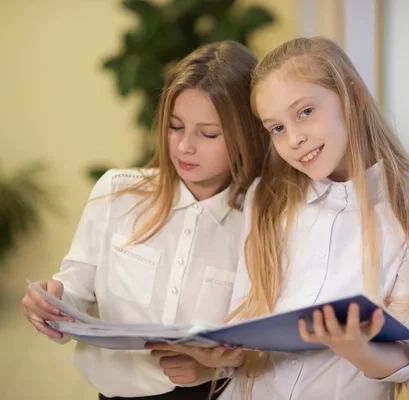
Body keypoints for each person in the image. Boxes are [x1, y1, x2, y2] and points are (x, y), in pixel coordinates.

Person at [148, 36, 409, 400]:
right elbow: (244, 326)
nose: (294, 138)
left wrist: (356, 347)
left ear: (354, 97)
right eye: (277, 128)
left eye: (305, 112)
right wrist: (215, 357)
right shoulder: (267, 197)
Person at [21, 40, 269, 400]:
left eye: (208, 133)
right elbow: (76, 287)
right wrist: (54, 299)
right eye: (175, 126)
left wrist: (215, 366)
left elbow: (264, 337)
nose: (185, 146)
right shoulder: (117, 193)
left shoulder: (262, 219)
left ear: (248, 132)